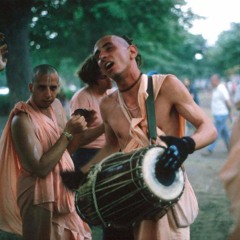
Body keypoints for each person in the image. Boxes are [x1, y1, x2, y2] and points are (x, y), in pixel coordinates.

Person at [78, 35, 217, 240]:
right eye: (97, 55)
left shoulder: (166, 85)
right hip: (125, 197)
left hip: (164, 191)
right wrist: (82, 174)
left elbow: (208, 128)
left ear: (132, 51)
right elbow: (111, 147)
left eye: (109, 48)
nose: (102, 56)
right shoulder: (107, 104)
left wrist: (185, 145)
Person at [0, 64, 91, 240]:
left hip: (63, 187)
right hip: (38, 195)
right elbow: (40, 168)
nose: (48, 94)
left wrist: (84, 130)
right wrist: (67, 132)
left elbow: (66, 150)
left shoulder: (56, 106)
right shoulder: (22, 119)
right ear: (31, 87)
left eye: (53, 88)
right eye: (42, 87)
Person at [69, 55, 114, 170]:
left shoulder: (110, 94)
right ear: (92, 80)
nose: (110, 79)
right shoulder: (82, 97)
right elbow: (78, 139)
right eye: (104, 77)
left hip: (108, 152)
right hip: (87, 155)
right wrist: (106, 125)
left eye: (109, 73)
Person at [202, 74, 232, 156]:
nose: (211, 82)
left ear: (217, 80)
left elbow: (228, 101)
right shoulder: (216, 89)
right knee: (225, 133)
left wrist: (230, 112)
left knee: (216, 133)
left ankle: (210, 150)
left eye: (212, 80)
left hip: (221, 114)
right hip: (218, 114)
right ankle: (231, 147)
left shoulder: (222, 88)